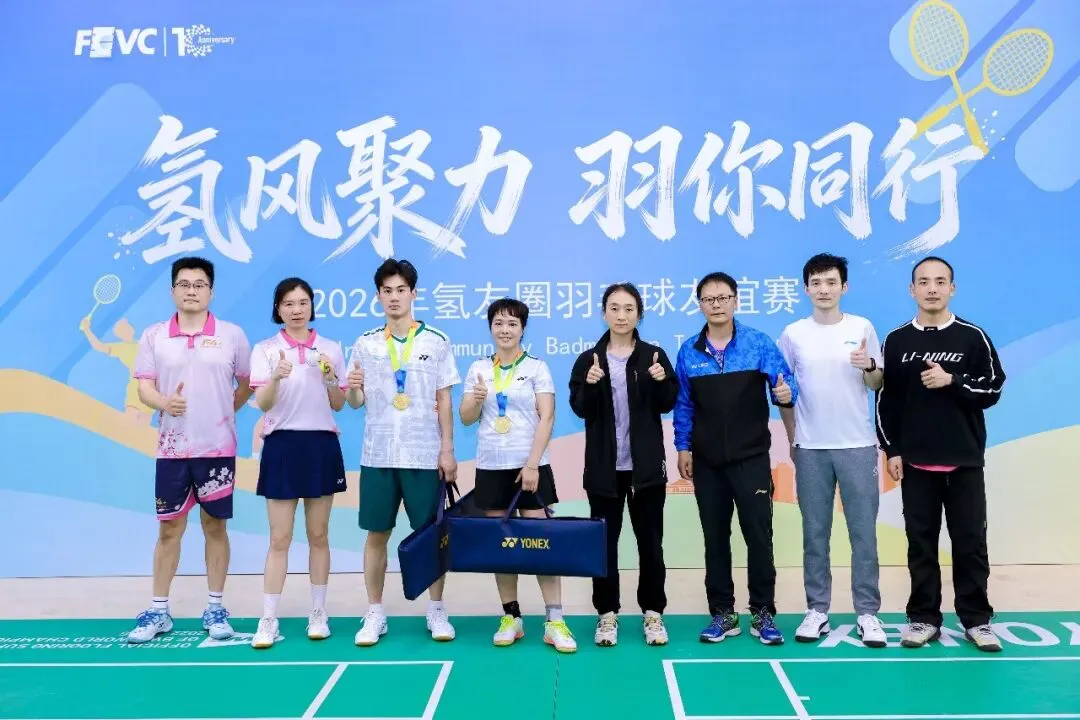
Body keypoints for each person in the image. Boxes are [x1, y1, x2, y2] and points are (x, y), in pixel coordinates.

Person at [876, 256, 1005, 652]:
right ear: (911, 289)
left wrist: (953, 380)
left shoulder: (972, 337)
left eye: (940, 281)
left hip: (964, 460)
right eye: (923, 281)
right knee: (921, 544)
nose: (931, 288)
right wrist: (892, 450)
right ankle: (923, 618)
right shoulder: (897, 341)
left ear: (952, 288)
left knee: (970, 543)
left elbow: (993, 389)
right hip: (916, 463)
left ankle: (977, 620)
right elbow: (886, 402)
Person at [127, 256, 252, 644]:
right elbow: (144, 388)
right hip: (172, 450)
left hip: (217, 450)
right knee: (169, 529)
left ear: (211, 291)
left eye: (199, 285)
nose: (192, 291)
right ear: (173, 291)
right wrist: (165, 403)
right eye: (184, 284)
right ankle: (159, 610)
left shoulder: (232, 335)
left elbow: (247, 384)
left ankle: (215, 607)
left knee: (215, 527)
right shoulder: (154, 336)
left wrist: (222, 412)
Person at [673, 271, 796, 645]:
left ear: (735, 301)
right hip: (707, 463)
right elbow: (684, 405)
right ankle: (723, 613)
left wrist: (785, 393)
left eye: (723, 297)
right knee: (715, 538)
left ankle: (763, 612)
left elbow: (785, 386)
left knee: (759, 537)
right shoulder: (689, 352)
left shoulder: (757, 343)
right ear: (700, 305)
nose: (717, 305)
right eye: (709, 299)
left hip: (751, 459)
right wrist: (683, 447)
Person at [776, 254, 887, 647]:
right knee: (815, 533)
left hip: (857, 445)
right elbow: (784, 393)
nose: (823, 289)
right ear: (806, 288)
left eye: (831, 282)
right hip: (811, 448)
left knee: (864, 534)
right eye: (816, 283)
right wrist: (794, 439)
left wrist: (868, 365)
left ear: (844, 286)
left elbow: (877, 383)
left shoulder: (862, 327)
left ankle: (868, 613)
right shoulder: (793, 334)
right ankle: (817, 610)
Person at [348, 258, 460, 646]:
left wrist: (447, 450)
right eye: (387, 291)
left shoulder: (437, 341)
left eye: (401, 290)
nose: (394, 297)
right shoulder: (365, 343)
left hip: (423, 455)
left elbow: (444, 400)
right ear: (378, 296)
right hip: (378, 455)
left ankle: (436, 609)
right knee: (376, 534)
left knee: (430, 535)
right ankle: (375, 612)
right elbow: (355, 402)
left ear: (413, 293)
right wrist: (352, 387)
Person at [459, 298, 576, 653]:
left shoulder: (537, 367)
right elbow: (466, 417)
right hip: (492, 466)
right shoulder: (479, 368)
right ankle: (511, 617)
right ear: (490, 328)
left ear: (523, 328)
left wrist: (532, 464)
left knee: (542, 541)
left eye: (512, 323)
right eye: (498, 323)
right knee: (503, 543)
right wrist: (476, 399)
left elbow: (547, 416)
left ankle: (555, 620)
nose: (505, 329)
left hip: (531, 466)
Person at [568, 283, 679, 647]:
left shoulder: (654, 356)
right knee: (604, 547)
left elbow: (667, 402)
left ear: (639, 314)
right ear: (604, 313)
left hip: (646, 471)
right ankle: (607, 614)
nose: (621, 315)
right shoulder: (589, 359)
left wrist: (661, 381)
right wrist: (589, 384)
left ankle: (653, 613)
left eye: (629, 308)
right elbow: (579, 408)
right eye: (614, 308)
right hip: (604, 471)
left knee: (651, 545)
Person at [248, 277, 350, 649]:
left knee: (319, 535)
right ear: (278, 309)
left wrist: (331, 378)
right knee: (280, 538)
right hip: (282, 445)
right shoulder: (265, 349)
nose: (296, 310)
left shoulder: (331, 348)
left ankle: (318, 612)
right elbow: (263, 403)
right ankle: (268, 618)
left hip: (321, 444)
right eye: (288, 304)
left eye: (303, 302)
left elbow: (339, 404)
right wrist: (275, 377)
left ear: (311, 306)